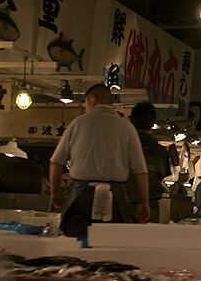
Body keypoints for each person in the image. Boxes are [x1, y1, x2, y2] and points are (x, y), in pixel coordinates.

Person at [49, 83, 149, 237]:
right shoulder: (126, 127)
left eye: (85, 104)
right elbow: (140, 171)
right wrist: (144, 202)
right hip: (115, 197)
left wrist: (55, 192)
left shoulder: (77, 123)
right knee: (110, 248)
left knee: (75, 246)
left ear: (92, 100)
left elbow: (56, 163)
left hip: (81, 197)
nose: (85, 109)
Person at [128, 100, 171, 223]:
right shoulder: (161, 152)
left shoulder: (122, 148)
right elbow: (162, 176)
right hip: (150, 207)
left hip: (125, 206)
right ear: (153, 123)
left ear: (132, 121)